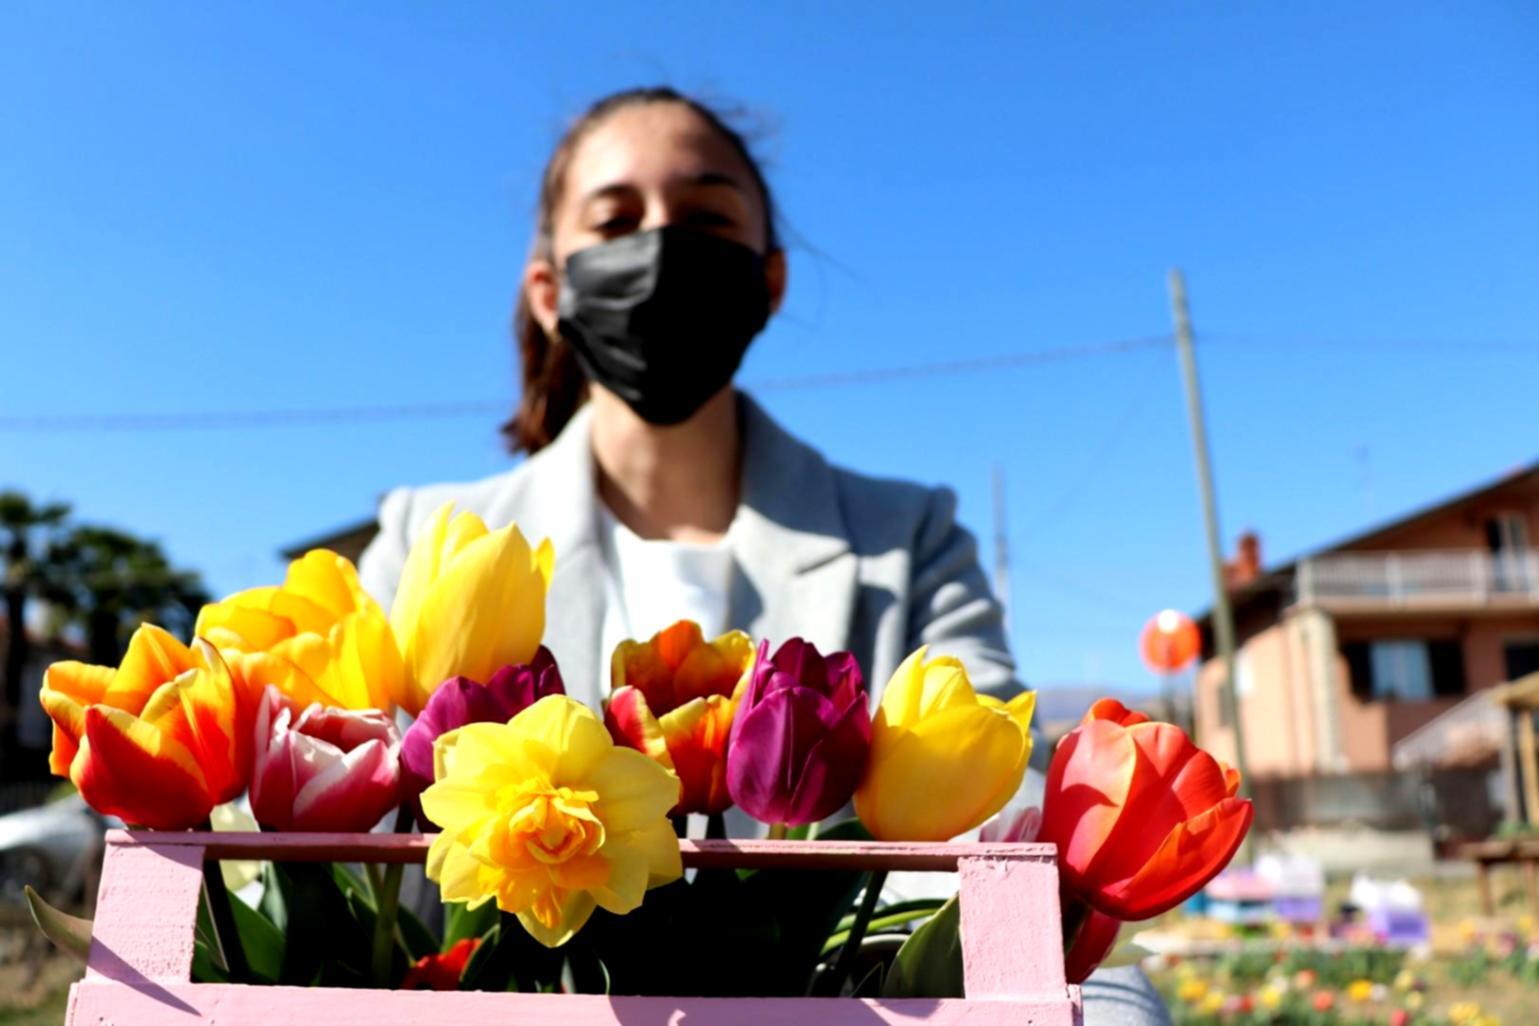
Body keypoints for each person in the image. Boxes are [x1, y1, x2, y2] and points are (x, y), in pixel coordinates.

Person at [356, 86, 1170, 1026]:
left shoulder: (908, 539)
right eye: (617, 220)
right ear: (551, 290)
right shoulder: (429, 541)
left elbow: (1014, 847)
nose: (660, 246)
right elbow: (339, 863)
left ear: (768, 281)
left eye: (705, 217)